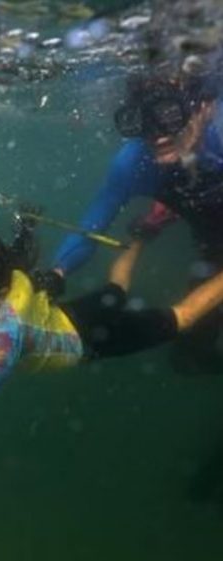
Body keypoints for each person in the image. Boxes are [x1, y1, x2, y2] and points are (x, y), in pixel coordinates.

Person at [0, 219, 223, 450]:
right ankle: (142, 234)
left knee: (183, 317)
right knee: (117, 290)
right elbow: (16, 262)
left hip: (90, 341)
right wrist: (24, 233)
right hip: (67, 315)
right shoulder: (9, 277)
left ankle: (144, 238)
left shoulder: (8, 330)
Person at [39, 57, 223, 374]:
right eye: (142, 121)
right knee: (189, 356)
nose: (157, 136)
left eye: (168, 115)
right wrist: (56, 272)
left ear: (205, 107)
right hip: (216, 247)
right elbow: (91, 225)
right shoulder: (134, 163)